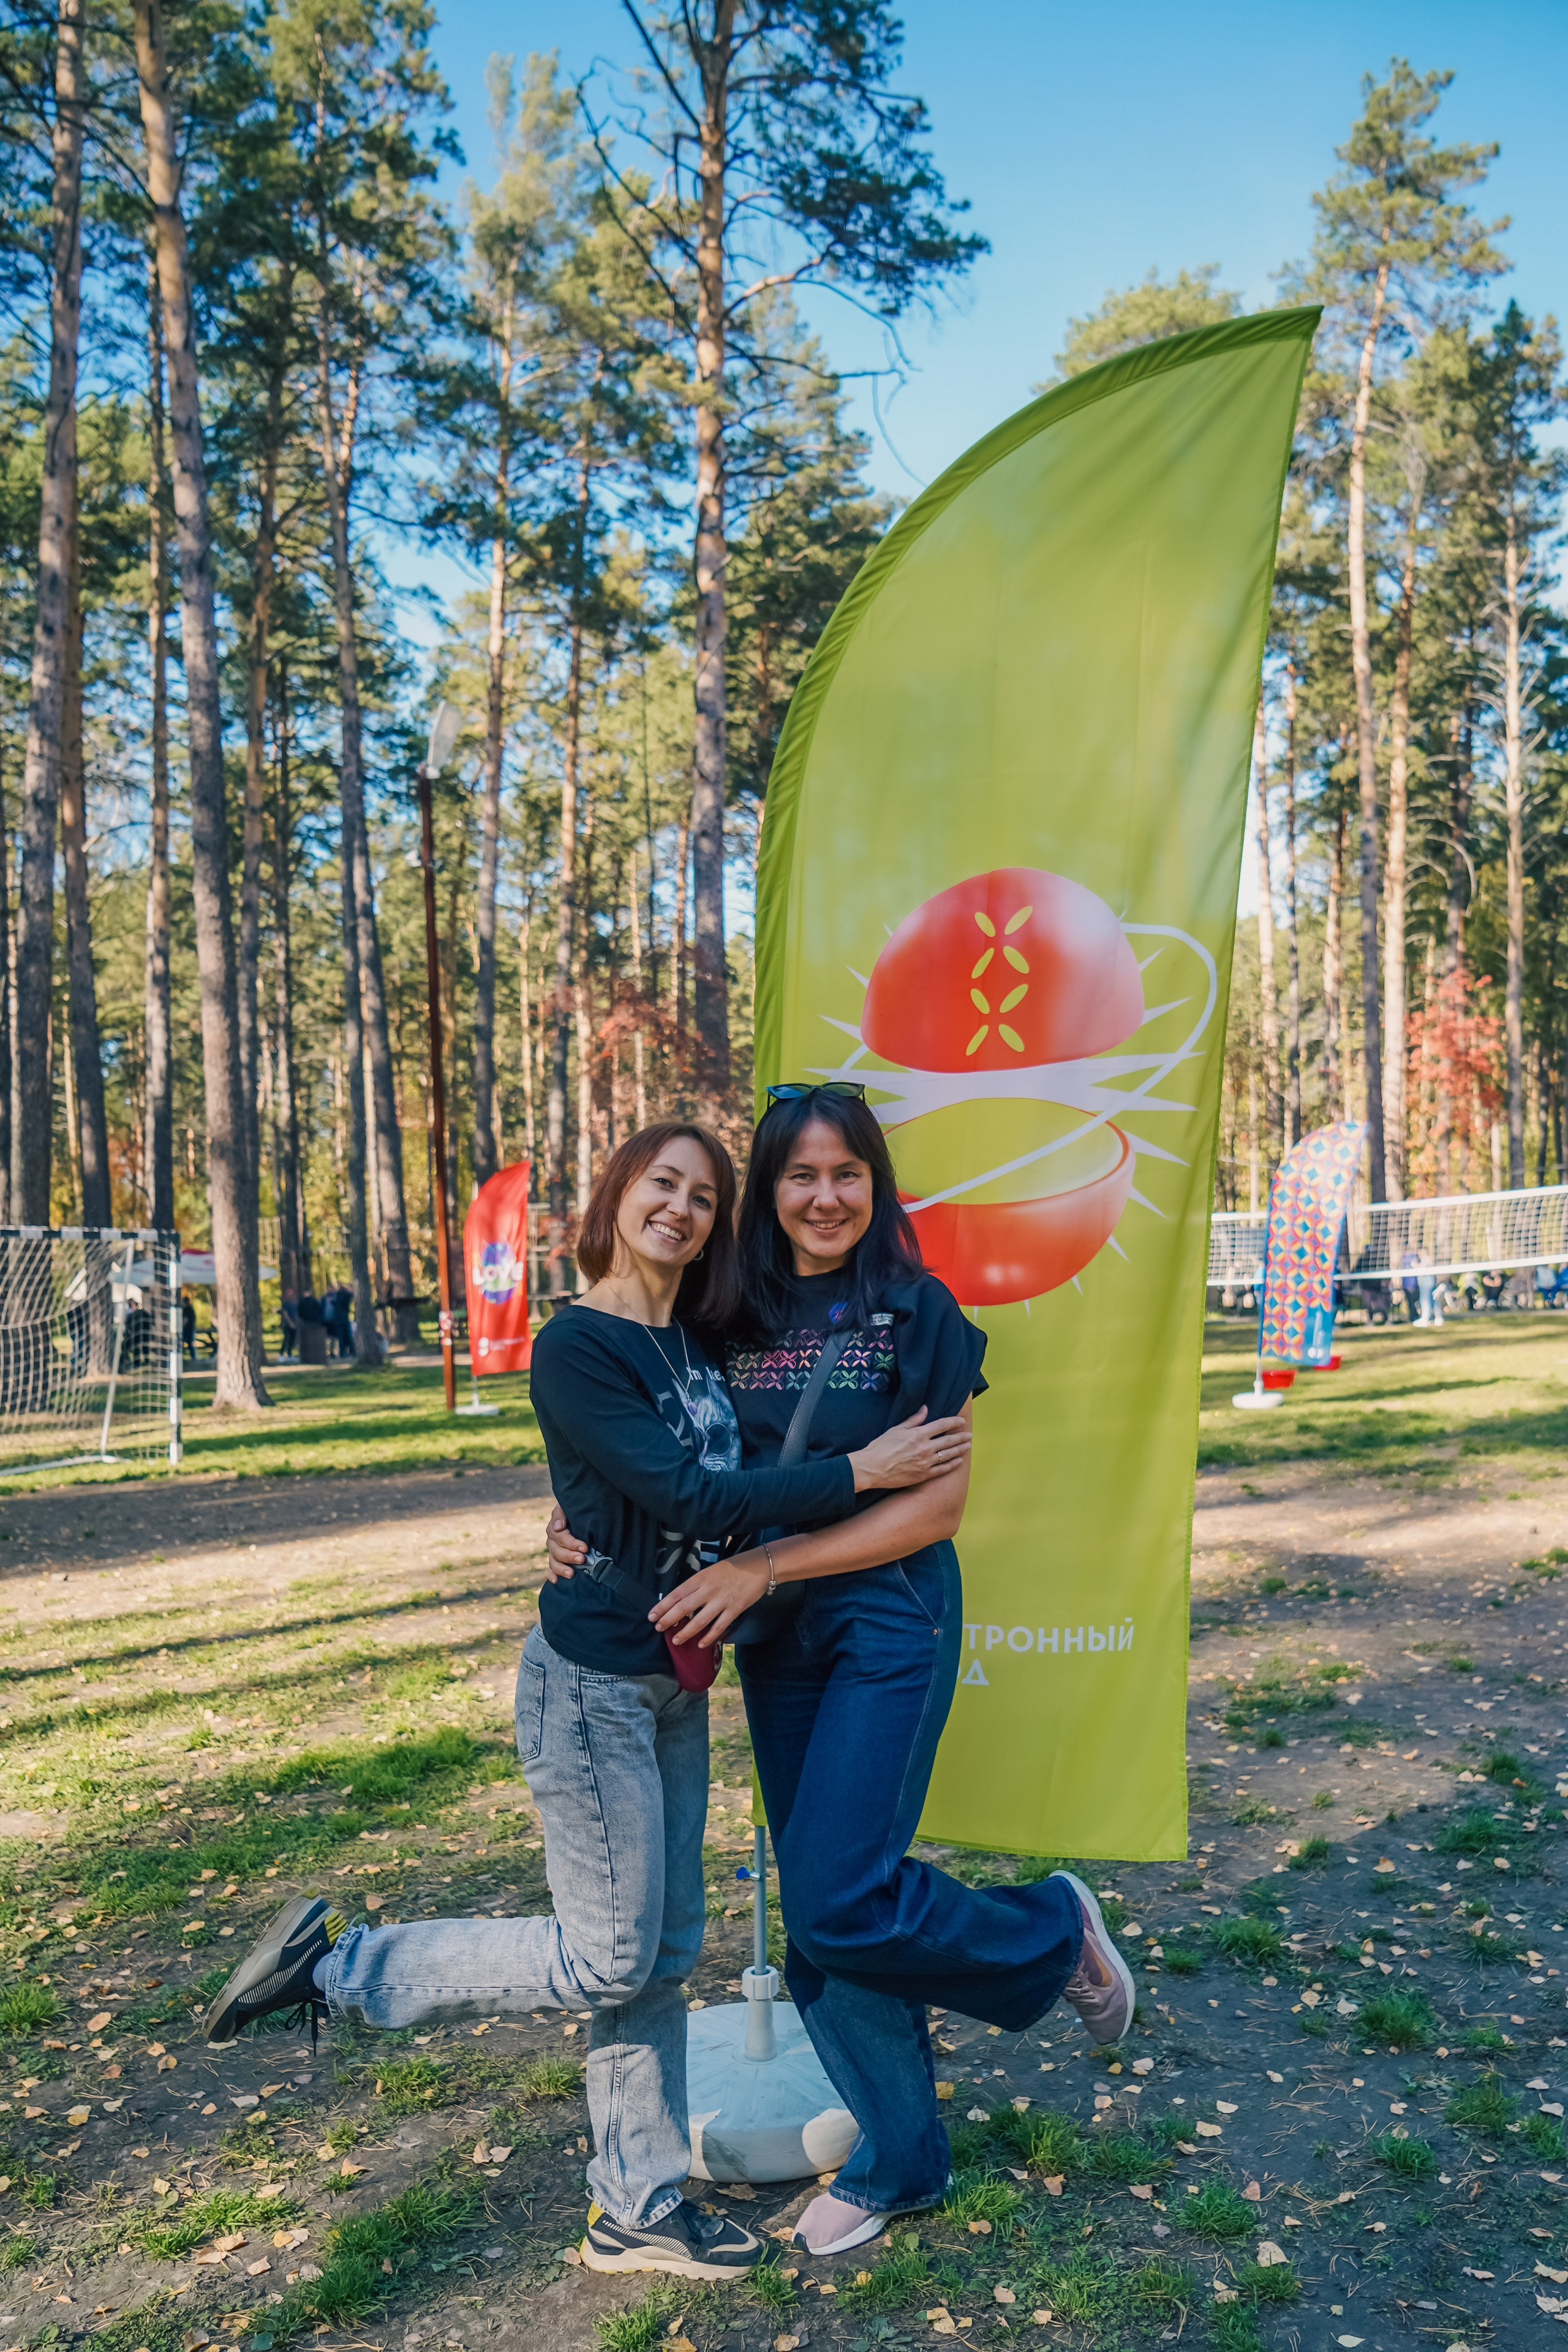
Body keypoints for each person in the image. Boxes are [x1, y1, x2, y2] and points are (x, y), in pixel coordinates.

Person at [199, 1121, 967, 2284]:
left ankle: (637, 2205)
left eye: (706, 1196)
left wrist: (574, 1524)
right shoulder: (576, 1343)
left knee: (663, 1952)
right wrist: (863, 1473)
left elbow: (667, 1494)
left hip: (677, 1681)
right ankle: (348, 1965)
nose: (683, 1210)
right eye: (663, 1185)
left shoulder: (700, 1338)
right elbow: (689, 1486)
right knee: (610, 1960)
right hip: (592, 1685)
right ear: (615, 1196)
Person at [547, 1085, 1134, 2256]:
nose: (825, 1197)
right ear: (769, 1195)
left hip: (888, 1618)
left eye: (847, 1174)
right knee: (825, 1925)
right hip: (776, 1640)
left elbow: (938, 1507)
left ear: (876, 1184)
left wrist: (769, 1568)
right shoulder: (726, 1312)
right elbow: (655, 1452)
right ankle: (902, 2161)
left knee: (838, 1896)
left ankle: (1049, 1933)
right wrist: (564, 1521)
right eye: (799, 1177)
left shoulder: (915, 1311)